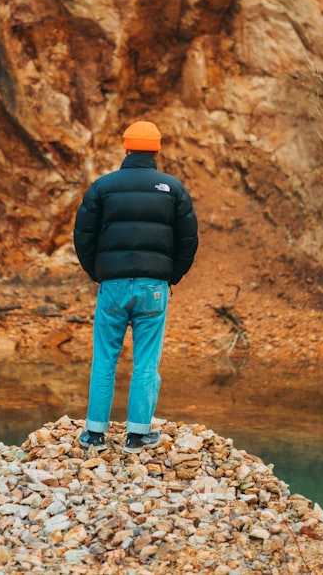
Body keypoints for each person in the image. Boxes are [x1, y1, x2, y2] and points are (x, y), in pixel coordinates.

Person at [73, 120, 199, 453]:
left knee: (104, 359)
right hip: (153, 288)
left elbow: (83, 236)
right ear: (156, 150)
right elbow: (189, 240)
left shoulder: (102, 187)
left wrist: (97, 273)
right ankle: (137, 435)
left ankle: (95, 435)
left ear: (126, 149)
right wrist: (171, 275)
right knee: (146, 362)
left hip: (112, 286)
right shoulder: (173, 189)